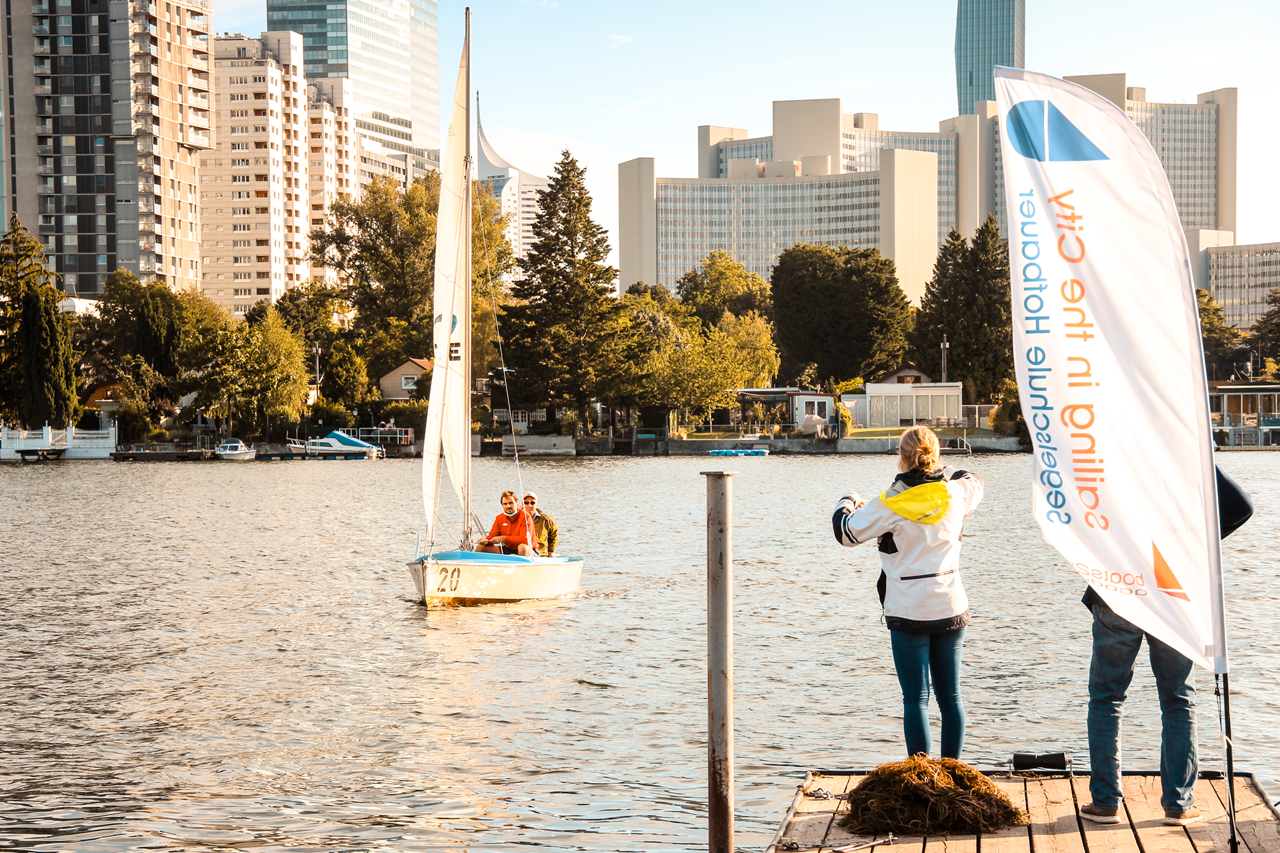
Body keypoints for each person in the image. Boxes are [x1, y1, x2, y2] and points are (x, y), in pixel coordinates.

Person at [1080, 466, 1253, 827]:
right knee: (1177, 697)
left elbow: (1082, 514)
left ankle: (1106, 801)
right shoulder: (1184, 451)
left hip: (1119, 584)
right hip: (1173, 588)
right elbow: (1241, 507)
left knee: (1107, 696)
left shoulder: (1111, 449)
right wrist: (1192, 549)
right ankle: (1178, 804)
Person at [831, 426, 984, 759]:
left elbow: (845, 533)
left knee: (916, 699)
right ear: (935, 455)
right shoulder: (955, 493)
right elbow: (974, 479)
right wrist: (946, 472)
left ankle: (921, 775)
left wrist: (847, 501)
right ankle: (952, 771)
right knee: (951, 698)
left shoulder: (888, 503)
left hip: (908, 610)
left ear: (901, 458)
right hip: (950, 606)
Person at [476, 490, 538, 556]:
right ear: (502, 505)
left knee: (522, 547)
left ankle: (521, 566)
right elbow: (492, 537)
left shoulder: (525, 516)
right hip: (509, 549)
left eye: (511, 503)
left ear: (517, 503)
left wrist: (504, 538)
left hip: (529, 550)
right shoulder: (500, 518)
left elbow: (525, 540)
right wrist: (485, 541)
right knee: (480, 548)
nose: (508, 506)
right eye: (505, 504)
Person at [523, 492, 558, 557]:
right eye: (526, 503)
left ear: (537, 504)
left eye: (532, 503)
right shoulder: (516, 518)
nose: (529, 505)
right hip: (523, 553)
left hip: (541, 555)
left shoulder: (546, 519)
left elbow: (553, 535)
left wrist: (551, 551)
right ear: (522, 504)